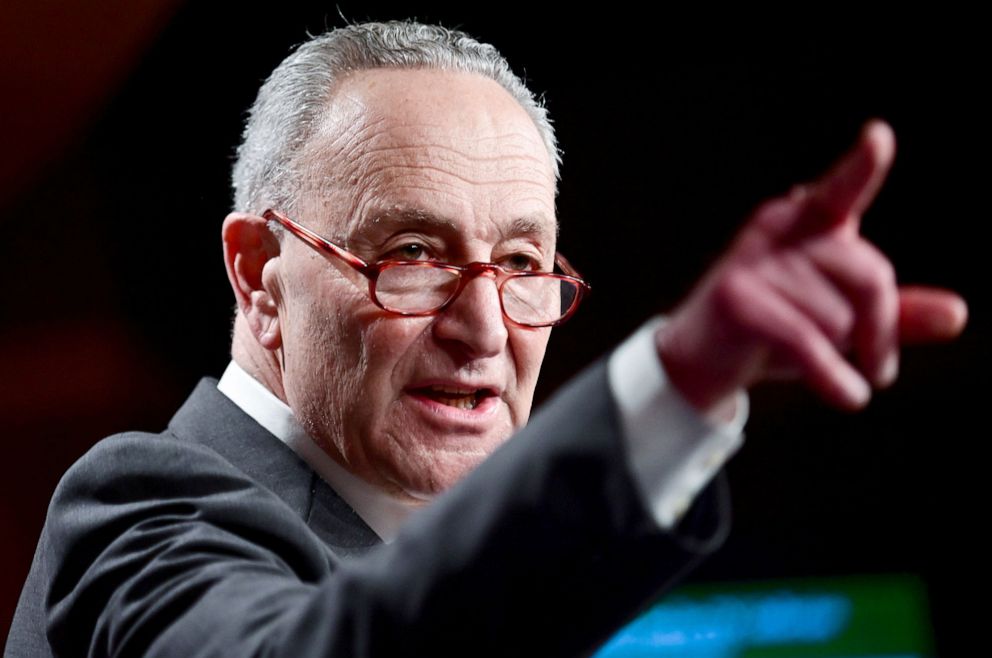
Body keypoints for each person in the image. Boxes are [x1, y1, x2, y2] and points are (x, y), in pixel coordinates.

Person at [5, 21, 966, 658]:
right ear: (260, 276)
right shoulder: (144, 512)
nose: (483, 329)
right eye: (413, 253)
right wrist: (673, 383)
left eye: (519, 263)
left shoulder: (462, 570)